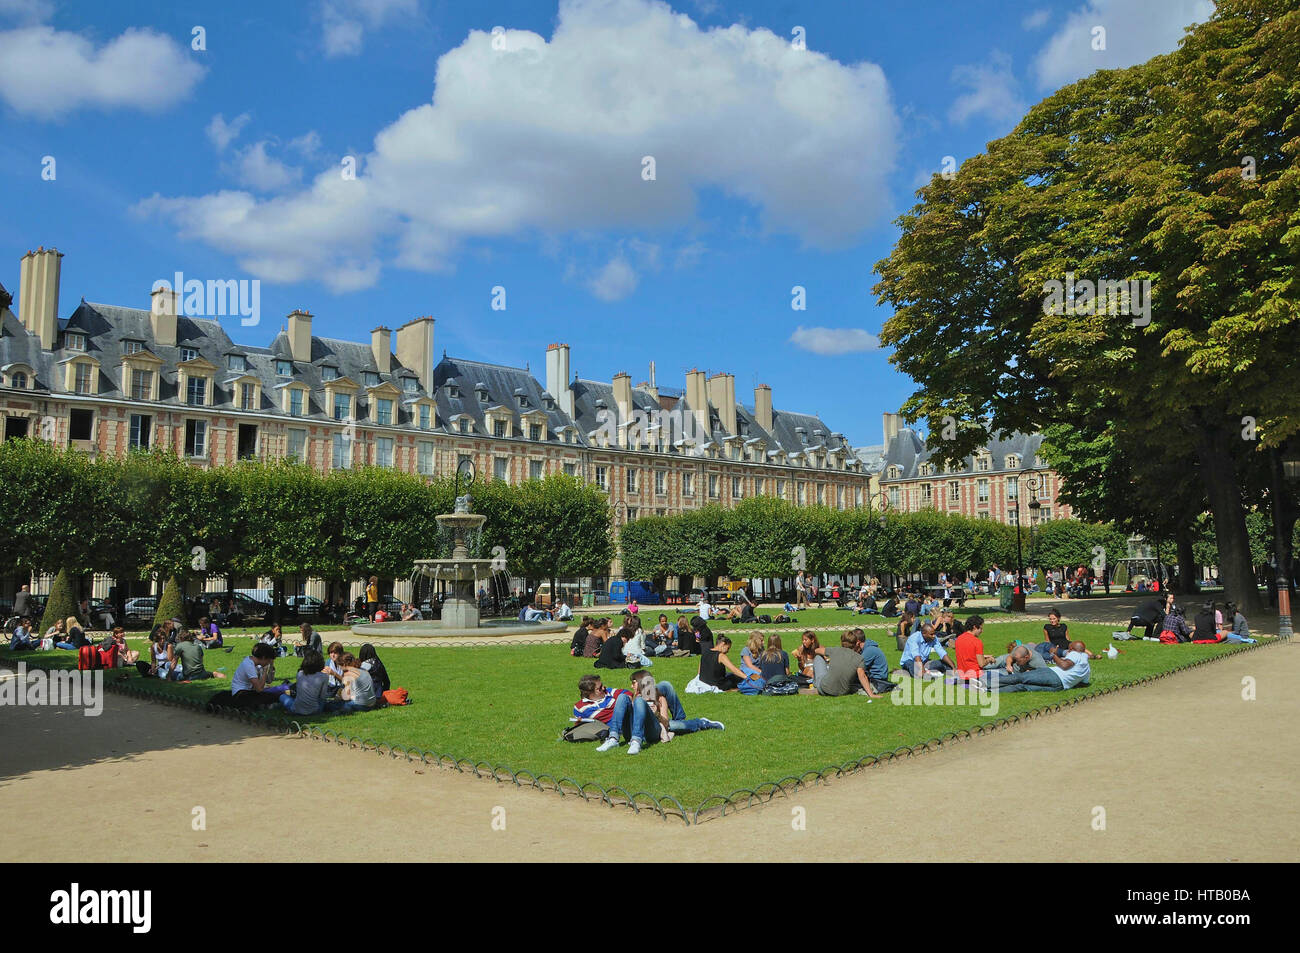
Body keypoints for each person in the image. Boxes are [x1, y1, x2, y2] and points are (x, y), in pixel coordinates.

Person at [628, 670, 724, 736]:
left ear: (641, 682)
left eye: (633, 683)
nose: (631, 686)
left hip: (657, 727)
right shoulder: (634, 699)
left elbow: (665, 723)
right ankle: (683, 721)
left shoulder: (660, 699)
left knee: (674, 725)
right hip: (643, 732)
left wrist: (656, 714)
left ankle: (701, 723)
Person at [574, 673, 651, 755]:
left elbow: (627, 693)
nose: (603, 688)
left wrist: (622, 707)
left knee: (622, 697)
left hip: (632, 720)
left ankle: (616, 738)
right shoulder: (580, 708)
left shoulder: (609, 692)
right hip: (626, 729)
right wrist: (579, 722)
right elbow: (580, 726)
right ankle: (613, 738)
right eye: (599, 688)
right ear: (589, 693)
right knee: (621, 698)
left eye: (602, 685)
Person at [810, 630, 889, 698]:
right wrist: (871, 695)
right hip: (843, 692)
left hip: (825, 688)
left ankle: (815, 684)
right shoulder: (859, 658)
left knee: (818, 658)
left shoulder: (835, 650)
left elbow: (816, 650)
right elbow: (862, 676)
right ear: (856, 643)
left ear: (842, 642)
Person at [993, 640, 1092, 693]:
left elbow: (1064, 665)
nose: (1068, 651)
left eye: (1069, 649)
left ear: (1073, 649)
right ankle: (992, 690)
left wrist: (1053, 655)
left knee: (1021, 677)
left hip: (1053, 675)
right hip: (1061, 687)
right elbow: (1084, 683)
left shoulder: (1075, 654)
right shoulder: (1087, 666)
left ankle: (986, 685)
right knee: (1023, 687)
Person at [280, 649, 330, 715]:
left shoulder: (300, 673)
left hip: (297, 709)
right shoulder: (324, 676)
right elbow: (322, 696)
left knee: (282, 696)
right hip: (315, 710)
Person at [952, 614, 989, 683]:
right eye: (980, 628)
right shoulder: (977, 642)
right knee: (1005, 677)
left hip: (962, 675)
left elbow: (967, 655)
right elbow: (982, 664)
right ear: (975, 627)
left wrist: (984, 656)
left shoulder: (959, 639)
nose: (982, 631)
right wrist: (989, 659)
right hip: (976, 675)